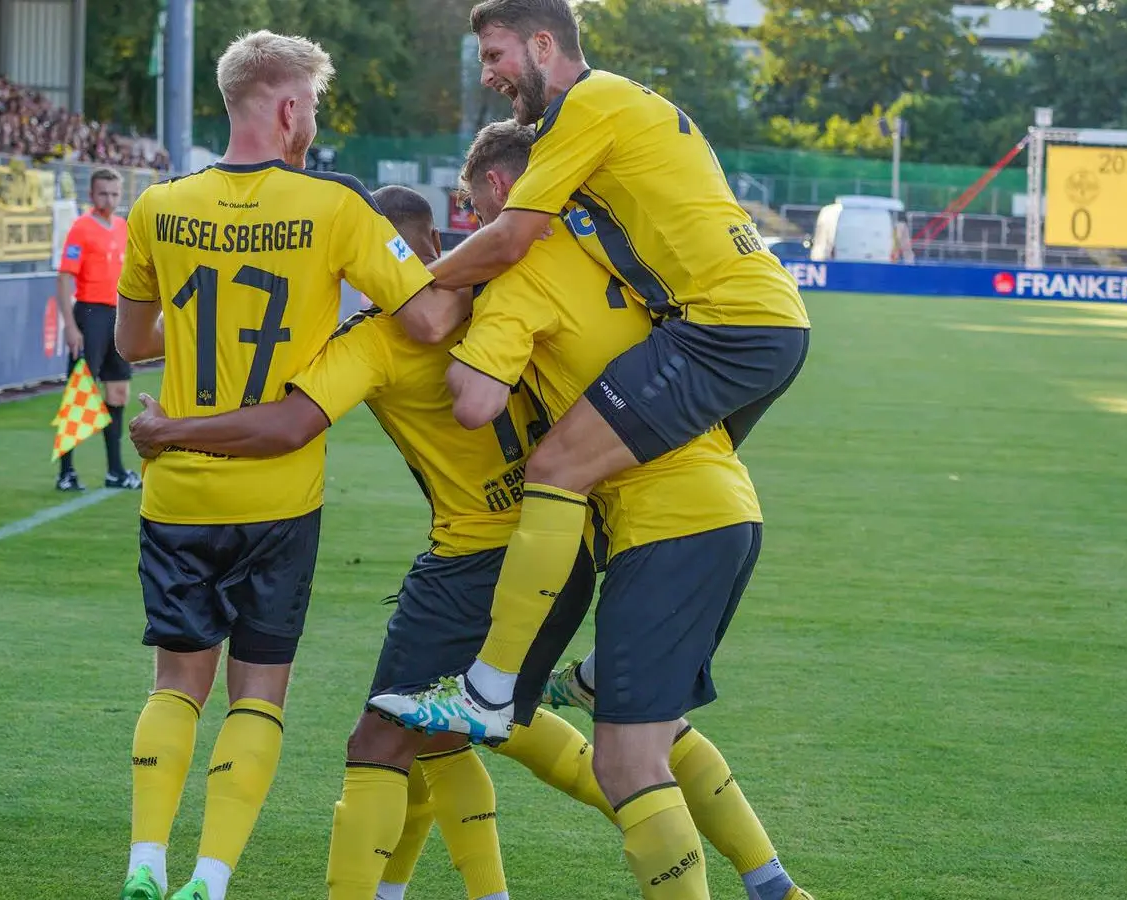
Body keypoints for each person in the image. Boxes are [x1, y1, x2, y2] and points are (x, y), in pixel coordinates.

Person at [127, 183, 809, 900]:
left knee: (384, 740)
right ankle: (766, 878)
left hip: (476, 558)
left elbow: (288, 424)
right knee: (565, 731)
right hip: (568, 543)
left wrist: (171, 430)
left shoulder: (376, 338)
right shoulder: (506, 285)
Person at [371, 0, 811, 746]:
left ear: (543, 44)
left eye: (495, 55)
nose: (488, 75)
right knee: (664, 476)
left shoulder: (585, 104)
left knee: (557, 466)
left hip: (723, 324)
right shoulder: (614, 104)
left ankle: (487, 691)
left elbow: (511, 237)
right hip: (758, 320)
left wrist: (408, 289)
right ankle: (615, 667)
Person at [387, 119, 804, 900]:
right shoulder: (605, 246)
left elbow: (474, 402)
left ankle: (489, 686)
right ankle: (776, 887)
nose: (478, 226)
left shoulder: (520, 273)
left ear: (501, 189)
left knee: (626, 762)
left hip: (665, 527)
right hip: (724, 508)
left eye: (477, 209)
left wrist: (460, 329)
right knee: (651, 725)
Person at [109, 31, 459, 900]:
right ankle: (211, 876)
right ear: (292, 107)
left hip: (178, 489)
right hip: (279, 494)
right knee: (257, 695)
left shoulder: (158, 205)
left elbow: (133, 342)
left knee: (175, 683)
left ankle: (145, 860)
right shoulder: (335, 208)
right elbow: (426, 321)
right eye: (315, 107)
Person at [54, 168, 139, 491]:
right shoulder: (81, 228)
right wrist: (70, 325)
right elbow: (65, 277)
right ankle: (66, 473)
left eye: (115, 194)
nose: (110, 200)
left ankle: (115, 471)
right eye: (103, 193)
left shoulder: (123, 227)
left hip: (118, 316)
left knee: (118, 392)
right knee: (80, 393)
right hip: (90, 315)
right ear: (91, 195)